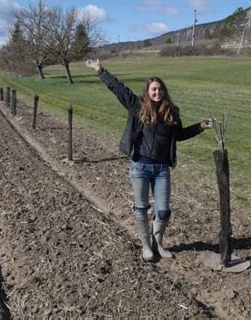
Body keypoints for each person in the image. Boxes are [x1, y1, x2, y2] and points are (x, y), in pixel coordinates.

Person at [86, 59, 213, 261]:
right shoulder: (137, 106)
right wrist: (100, 70)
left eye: (160, 89)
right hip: (140, 167)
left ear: (164, 92)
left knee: (163, 211)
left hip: (162, 169)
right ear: (147, 91)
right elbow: (118, 88)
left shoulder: (172, 112)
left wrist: (200, 127)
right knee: (141, 208)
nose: (157, 93)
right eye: (153, 89)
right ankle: (146, 246)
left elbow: (178, 135)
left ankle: (158, 244)